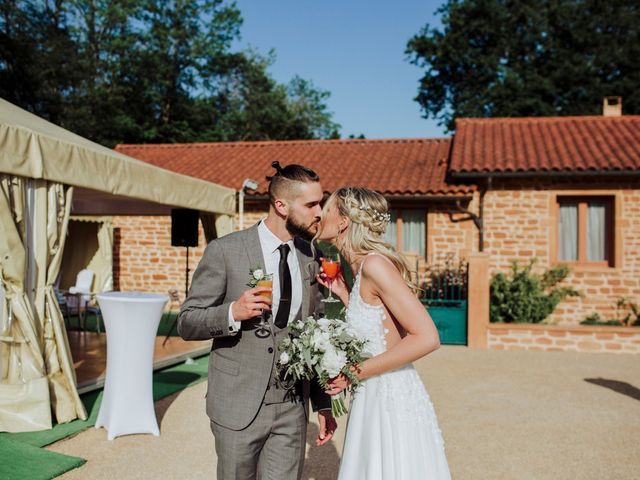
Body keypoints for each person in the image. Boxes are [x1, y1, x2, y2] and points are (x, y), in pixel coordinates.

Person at [178, 162, 337, 480]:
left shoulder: (310, 255)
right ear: (281, 205)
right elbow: (187, 322)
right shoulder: (225, 251)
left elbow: (315, 330)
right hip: (238, 404)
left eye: (320, 202)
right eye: (311, 204)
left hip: (292, 407)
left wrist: (322, 403)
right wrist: (231, 312)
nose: (319, 212)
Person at [316, 187, 451, 479]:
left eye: (325, 209)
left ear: (343, 222)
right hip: (373, 393)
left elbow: (427, 337)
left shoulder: (375, 265)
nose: (318, 214)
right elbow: (380, 327)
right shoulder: (361, 268)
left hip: (389, 395)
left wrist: (354, 371)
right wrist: (343, 294)